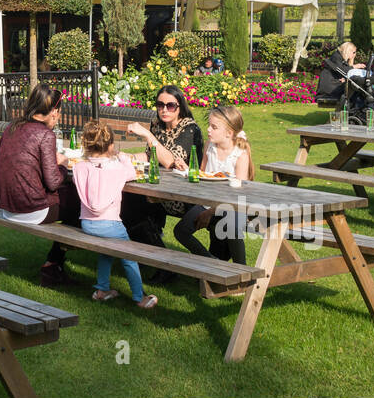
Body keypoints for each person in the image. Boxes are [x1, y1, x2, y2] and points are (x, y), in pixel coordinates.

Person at [0, 84, 81, 287]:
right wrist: (63, 164)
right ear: (55, 112)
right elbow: (54, 182)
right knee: (81, 200)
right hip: (31, 210)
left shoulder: (11, 127)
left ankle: (56, 261)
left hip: (6, 208)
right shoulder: (46, 135)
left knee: (71, 199)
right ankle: (53, 265)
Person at [72, 121, 157, 309]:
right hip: (110, 225)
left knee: (106, 252)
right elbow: (132, 172)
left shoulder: (80, 168)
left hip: (87, 223)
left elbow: (82, 169)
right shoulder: (117, 169)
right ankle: (139, 297)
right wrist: (124, 159)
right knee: (129, 256)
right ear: (111, 146)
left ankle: (102, 289)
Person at [124, 85, 203, 283]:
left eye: (170, 105)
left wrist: (147, 135)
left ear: (180, 107)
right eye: (160, 105)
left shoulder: (190, 129)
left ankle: (162, 263)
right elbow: (151, 156)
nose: (164, 110)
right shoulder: (157, 125)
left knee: (135, 204)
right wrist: (126, 157)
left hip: (185, 194)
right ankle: (152, 256)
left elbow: (170, 161)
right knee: (127, 202)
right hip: (160, 189)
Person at [172, 106, 253, 265]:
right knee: (181, 231)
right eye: (209, 125)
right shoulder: (210, 145)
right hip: (208, 202)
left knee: (233, 228)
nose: (208, 130)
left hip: (234, 205)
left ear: (229, 133)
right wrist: (188, 170)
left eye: (214, 127)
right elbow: (203, 173)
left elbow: (238, 195)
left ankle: (242, 271)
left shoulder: (240, 154)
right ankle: (211, 262)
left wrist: (210, 212)